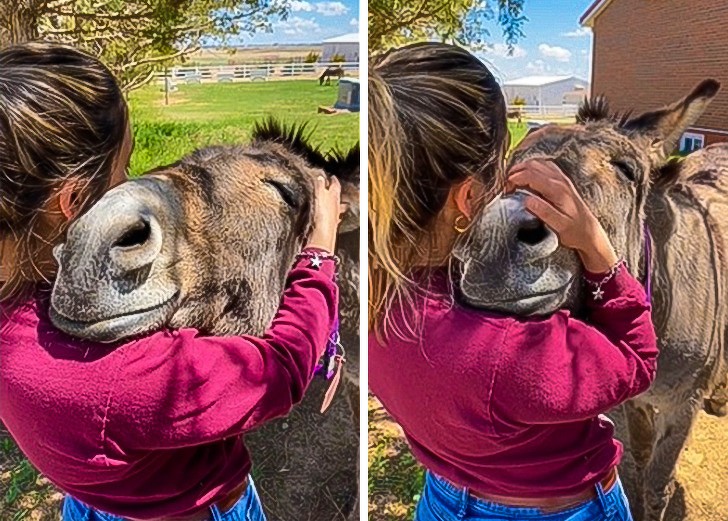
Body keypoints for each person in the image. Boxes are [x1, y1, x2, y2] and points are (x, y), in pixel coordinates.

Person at [0, 42, 341, 521]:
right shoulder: (124, 376)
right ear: (73, 201)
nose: (130, 182)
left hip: (89, 504)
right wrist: (320, 258)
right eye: (124, 167)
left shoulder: (16, 301)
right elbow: (278, 371)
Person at [368, 42, 657, 521]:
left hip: (442, 498)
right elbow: (636, 360)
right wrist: (598, 250)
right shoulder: (511, 353)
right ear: (467, 198)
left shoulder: (378, 301)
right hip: (559, 509)